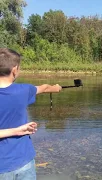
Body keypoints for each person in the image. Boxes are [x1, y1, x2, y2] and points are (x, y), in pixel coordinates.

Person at [0, 48, 62, 179]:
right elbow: (44, 87)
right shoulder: (24, 90)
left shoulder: (24, 90)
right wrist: (56, 88)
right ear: (14, 70)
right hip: (23, 162)